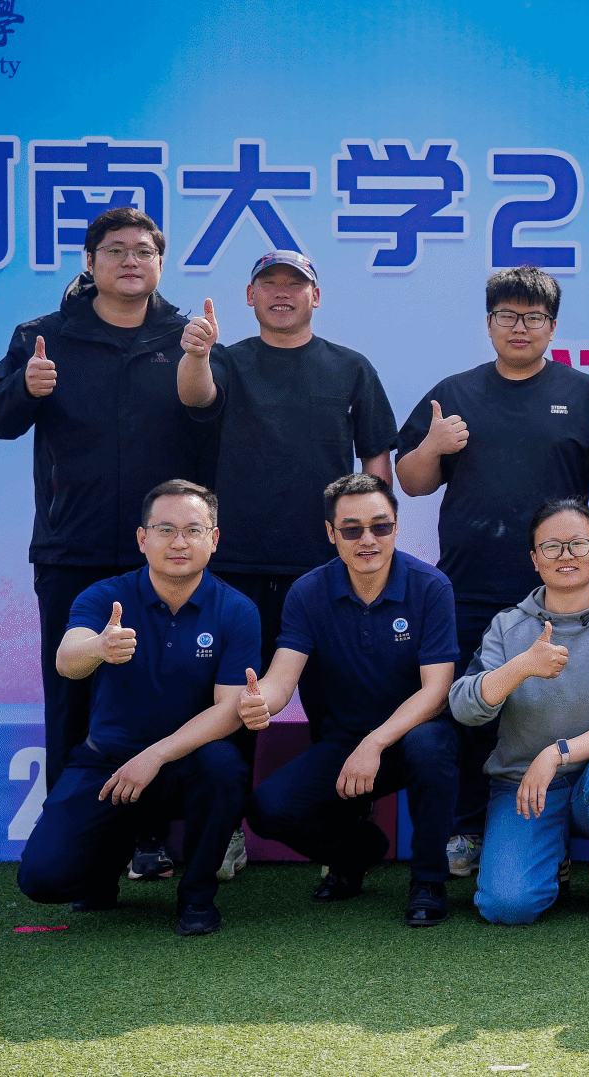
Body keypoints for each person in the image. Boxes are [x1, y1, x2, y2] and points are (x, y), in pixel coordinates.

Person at [0, 206, 223, 824]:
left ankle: (153, 836)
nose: (130, 261)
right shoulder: (44, 335)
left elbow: (214, 428)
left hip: (163, 556)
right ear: (90, 262)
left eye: (143, 251)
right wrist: (25, 387)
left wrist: (200, 362)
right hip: (72, 548)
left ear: (160, 263)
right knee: (72, 693)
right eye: (115, 250)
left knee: (162, 691)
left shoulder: (186, 338)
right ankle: (71, 834)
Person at [396, 266, 589, 879]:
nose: (520, 327)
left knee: (555, 706)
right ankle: (467, 827)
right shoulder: (455, 392)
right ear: (489, 323)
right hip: (468, 586)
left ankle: (559, 824)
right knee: (469, 709)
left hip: (560, 594)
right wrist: (432, 445)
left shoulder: (585, 394)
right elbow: (411, 481)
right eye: (508, 316)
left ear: (552, 326)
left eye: (533, 317)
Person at [176, 247, 398, 879]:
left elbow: (376, 461)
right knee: (234, 700)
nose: (281, 293)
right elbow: (196, 396)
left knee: (337, 706)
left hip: (327, 569)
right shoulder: (226, 359)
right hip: (237, 566)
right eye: (268, 283)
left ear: (314, 296)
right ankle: (224, 833)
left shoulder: (350, 367)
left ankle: (340, 835)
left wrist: (373, 542)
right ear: (250, 296)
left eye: (294, 284)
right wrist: (196, 353)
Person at [15, 481, 258, 936]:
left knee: (224, 765)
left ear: (213, 539)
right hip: (107, 761)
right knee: (43, 880)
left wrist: (157, 755)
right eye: (165, 530)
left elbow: (229, 710)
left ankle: (197, 897)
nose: (179, 542)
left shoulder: (236, 610)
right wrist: (99, 647)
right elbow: (66, 661)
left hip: (188, 762)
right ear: (143, 539)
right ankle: (106, 861)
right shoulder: (104, 596)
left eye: (193, 530)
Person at [238, 473, 458, 927]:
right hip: (346, 741)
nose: (368, 539)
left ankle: (428, 881)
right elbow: (282, 677)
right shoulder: (308, 591)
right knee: (266, 810)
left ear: (396, 527)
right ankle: (356, 852)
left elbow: (436, 692)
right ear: (330, 533)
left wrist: (375, 743)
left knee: (430, 748)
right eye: (352, 529)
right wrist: (262, 701)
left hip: (416, 733)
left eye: (380, 526)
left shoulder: (431, 586)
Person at [451, 499, 589, 928]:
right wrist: (521, 666)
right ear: (534, 559)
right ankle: (552, 856)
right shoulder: (508, 626)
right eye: (551, 547)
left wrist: (557, 753)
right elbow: (464, 706)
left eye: (578, 544)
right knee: (507, 907)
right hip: (523, 784)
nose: (566, 555)